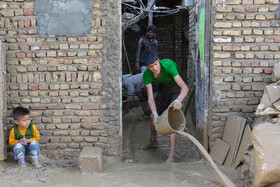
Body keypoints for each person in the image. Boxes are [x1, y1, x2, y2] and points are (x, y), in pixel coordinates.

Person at [142, 51, 189, 162]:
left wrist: (179, 100)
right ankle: (153, 141)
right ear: (147, 67)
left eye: (155, 64)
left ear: (158, 60)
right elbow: (150, 98)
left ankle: (172, 155)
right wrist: (155, 113)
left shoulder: (168, 65)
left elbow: (185, 87)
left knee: (171, 118)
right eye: (150, 66)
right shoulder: (147, 75)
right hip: (163, 87)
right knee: (152, 117)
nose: (155, 68)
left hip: (175, 86)